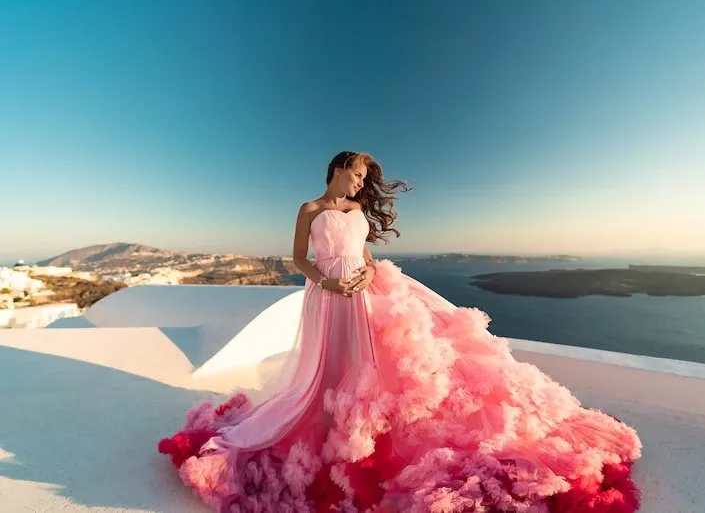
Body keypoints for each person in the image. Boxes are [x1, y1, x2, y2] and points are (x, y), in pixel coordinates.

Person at [158, 151, 643, 513]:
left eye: (365, 177)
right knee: (325, 367)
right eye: (356, 173)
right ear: (337, 169)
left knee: (362, 367)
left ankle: (358, 433)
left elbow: (366, 258)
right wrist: (328, 280)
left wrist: (366, 276)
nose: (360, 181)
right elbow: (298, 259)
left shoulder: (358, 214)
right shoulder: (309, 208)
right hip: (326, 294)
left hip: (359, 293)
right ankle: (323, 428)